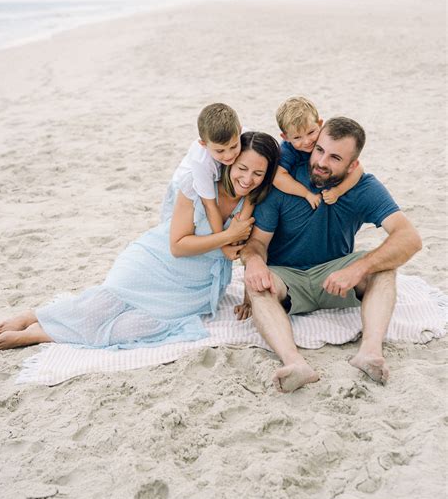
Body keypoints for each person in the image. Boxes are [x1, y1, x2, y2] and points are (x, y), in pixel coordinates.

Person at [0, 132, 280, 351]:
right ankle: (36, 315)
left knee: (138, 327)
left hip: (196, 287)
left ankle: (43, 333)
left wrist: (247, 297)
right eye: (242, 168)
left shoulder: (255, 201)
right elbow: (178, 246)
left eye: (258, 173)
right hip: (155, 263)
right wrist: (228, 236)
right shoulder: (197, 186)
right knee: (103, 304)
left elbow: (251, 252)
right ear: (229, 160)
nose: (247, 178)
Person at [239, 117, 422, 392]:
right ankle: (294, 363)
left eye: (335, 158)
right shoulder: (283, 182)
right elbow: (257, 244)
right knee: (256, 283)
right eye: (320, 150)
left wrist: (358, 268)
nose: (322, 162)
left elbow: (409, 238)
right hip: (287, 279)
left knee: (383, 267)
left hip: (336, 276)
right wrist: (253, 262)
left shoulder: (365, 187)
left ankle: (370, 352)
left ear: (353, 165)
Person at [161, 103, 253, 260]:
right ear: (203, 144)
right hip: (184, 187)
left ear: (240, 130)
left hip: (215, 178)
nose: (229, 155)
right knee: (182, 229)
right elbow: (210, 206)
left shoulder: (247, 135)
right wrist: (225, 243)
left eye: (233, 146)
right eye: (220, 151)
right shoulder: (201, 162)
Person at [273, 96, 363, 209]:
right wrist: (306, 194)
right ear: (285, 137)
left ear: (320, 124)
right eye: (297, 137)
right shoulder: (287, 150)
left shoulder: (326, 137)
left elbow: (358, 169)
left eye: (311, 132)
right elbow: (278, 178)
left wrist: (338, 191)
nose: (306, 141)